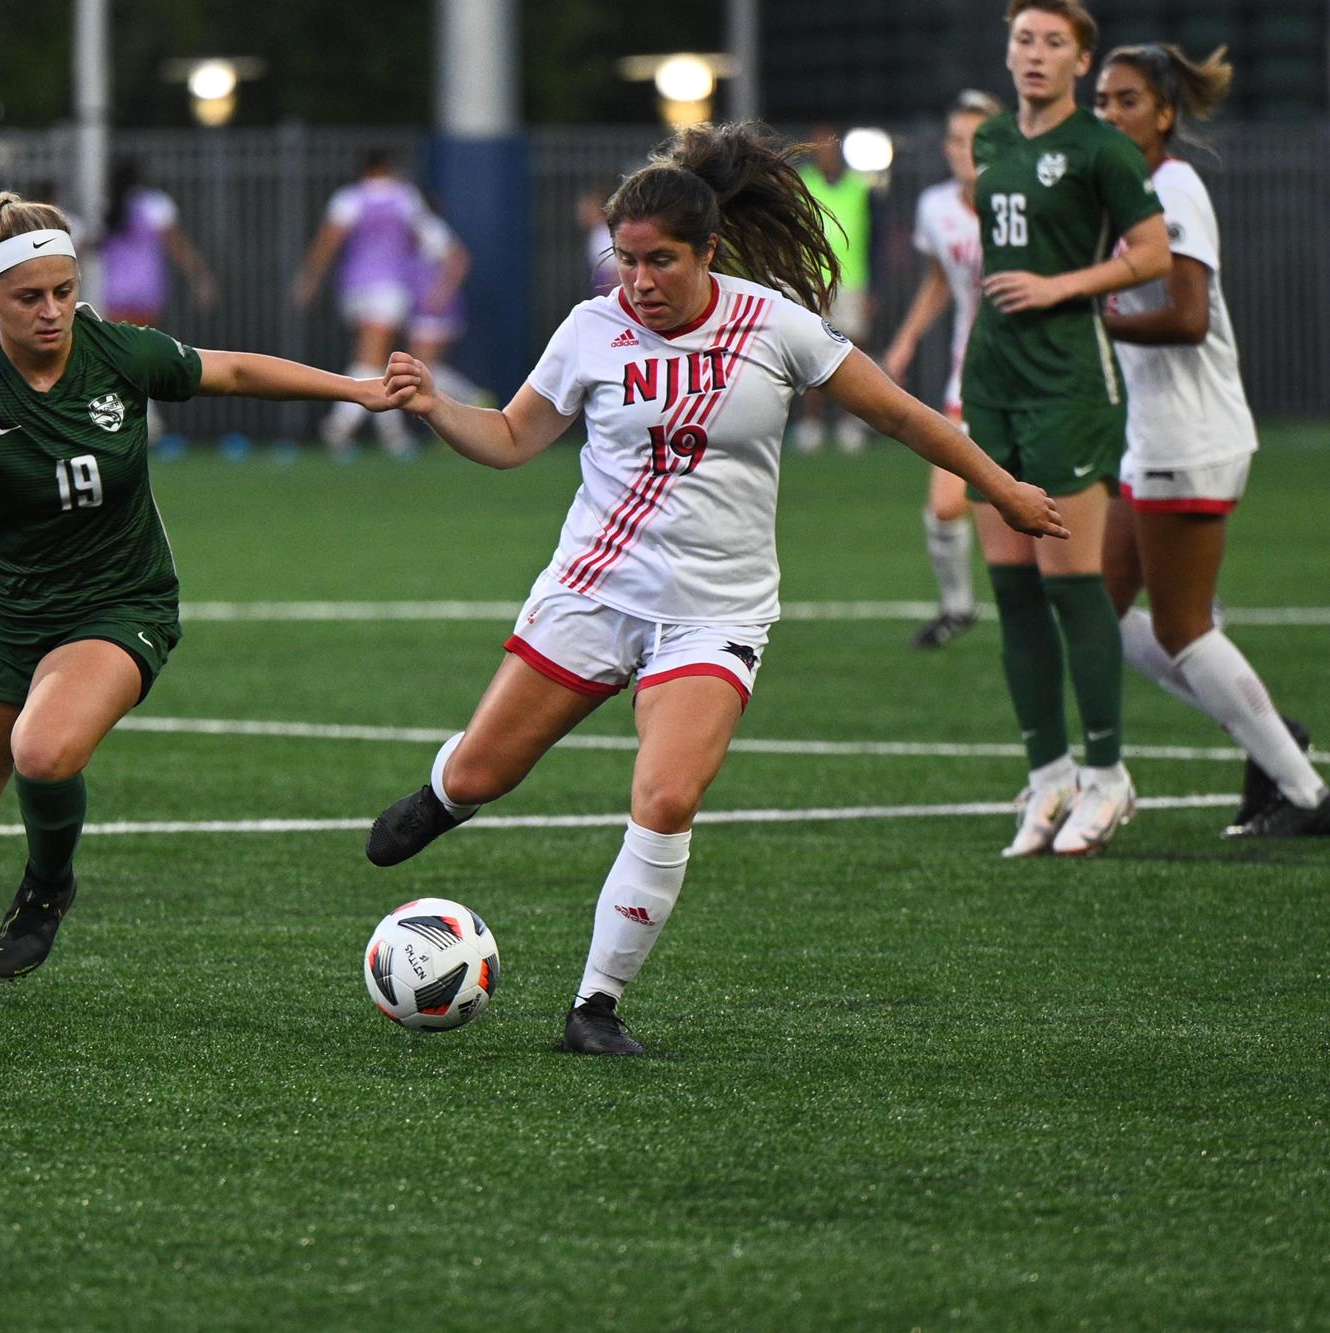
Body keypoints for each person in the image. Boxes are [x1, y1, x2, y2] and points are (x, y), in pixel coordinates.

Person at [365, 123, 1066, 1055]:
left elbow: (902, 415)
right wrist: (434, 405)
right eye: (626, 261)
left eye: (660, 261)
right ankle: (446, 793)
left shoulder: (774, 325)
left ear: (708, 251)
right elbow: (509, 438)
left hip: (715, 614)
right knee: (484, 773)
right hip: (593, 593)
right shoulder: (591, 328)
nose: (639, 281)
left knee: (665, 799)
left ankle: (595, 1006)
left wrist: (1004, 487)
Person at [0, 192, 393, 1003]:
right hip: (10, 614)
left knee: (43, 750)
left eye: (63, 290)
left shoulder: (116, 352)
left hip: (122, 605)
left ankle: (48, 883)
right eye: (29, 297)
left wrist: (356, 390)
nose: (52, 311)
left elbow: (235, 370)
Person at [1094, 44, 1330, 839]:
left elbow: (1190, 315)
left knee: (1181, 626)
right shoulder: (1127, 195)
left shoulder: (1173, 188)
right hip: (1153, 435)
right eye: (1102, 100)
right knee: (1100, 607)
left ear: (1165, 113)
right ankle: (1272, 740)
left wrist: (1091, 315)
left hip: (1190, 435)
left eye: (1128, 100)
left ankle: (1306, 793)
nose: (1110, 113)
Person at [964, 0, 1173, 857]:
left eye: (1055, 42)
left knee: (1070, 582)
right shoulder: (990, 140)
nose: (1036, 54)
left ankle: (1108, 775)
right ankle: (1048, 776)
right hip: (992, 378)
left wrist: (1058, 287)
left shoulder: (1102, 148)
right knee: (1011, 586)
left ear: (1082, 61)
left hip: (1069, 383)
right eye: (1025, 38)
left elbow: (1154, 254)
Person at [881, 91, 1004, 650]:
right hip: (972, 375)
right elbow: (940, 280)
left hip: (1041, 378)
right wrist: (906, 340)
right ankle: (958, 607)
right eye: (955, 139)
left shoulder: (1027, 202)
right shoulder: (935, 206)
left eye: (975, 140)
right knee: (946, 504)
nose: (962, 150)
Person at [294, 149, 446, 456]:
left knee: (375, 360)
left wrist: (310, 277)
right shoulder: (405, 197)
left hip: (353, 288)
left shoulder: (348, 198)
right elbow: (431, 242)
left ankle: (392, 436)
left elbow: (328, 242)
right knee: (371, 361)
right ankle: (338, 427)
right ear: (388, 167)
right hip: (388, 288)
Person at [98, 160, 218, 447]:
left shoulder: (108, 205)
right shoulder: (155, 205)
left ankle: (132, 420)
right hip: (147, 291)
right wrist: (201, 276)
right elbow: (177, 246)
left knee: (119, 358)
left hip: (115, 291)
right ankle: (145, 421)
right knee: (142, 356)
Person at [791, 126, 878, 455]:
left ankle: (850, 423)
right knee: (813, 351)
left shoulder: (859, 187)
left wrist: (874, 287)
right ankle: (812, 423)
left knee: (854, 354)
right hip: (813, 279)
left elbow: (875, 239)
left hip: (853, 281)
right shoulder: (804, 185)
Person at [404, 197, 485, 412]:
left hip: (435, 312)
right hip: (423, 311)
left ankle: (474, 399)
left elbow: (459, 258)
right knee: (422, 368)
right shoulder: (416, 229)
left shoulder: (430, 227)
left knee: (421, 368)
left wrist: (441, 293)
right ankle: (471, 402)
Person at [577, 185, 620, 294]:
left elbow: (614, 271)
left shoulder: (604, 234)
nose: (582, 214)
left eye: (587, 209)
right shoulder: (596, 233)